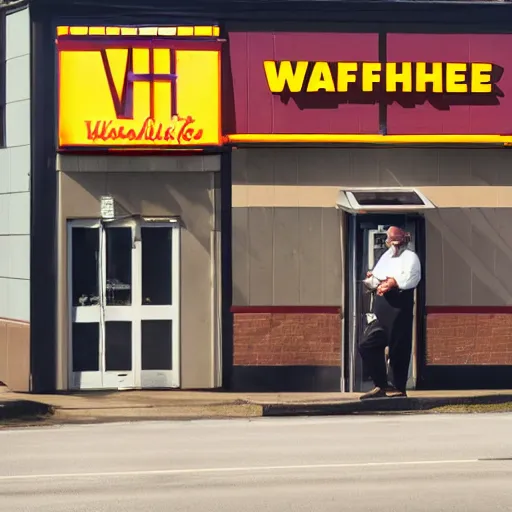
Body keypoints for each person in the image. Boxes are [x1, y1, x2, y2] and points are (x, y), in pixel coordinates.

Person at [358, 226, 421, 400]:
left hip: (399, 307)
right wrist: (372, 279)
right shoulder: (386, 256)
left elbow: (411, 278)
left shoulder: (410, 257)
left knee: (398, 347)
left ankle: (397, 386)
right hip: (382, 309)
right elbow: (376, 276)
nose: (392, 242)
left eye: (395, 239)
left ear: (402, 239)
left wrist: (393, 282)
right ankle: (381, 384)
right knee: (367, 343)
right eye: (390, 239)